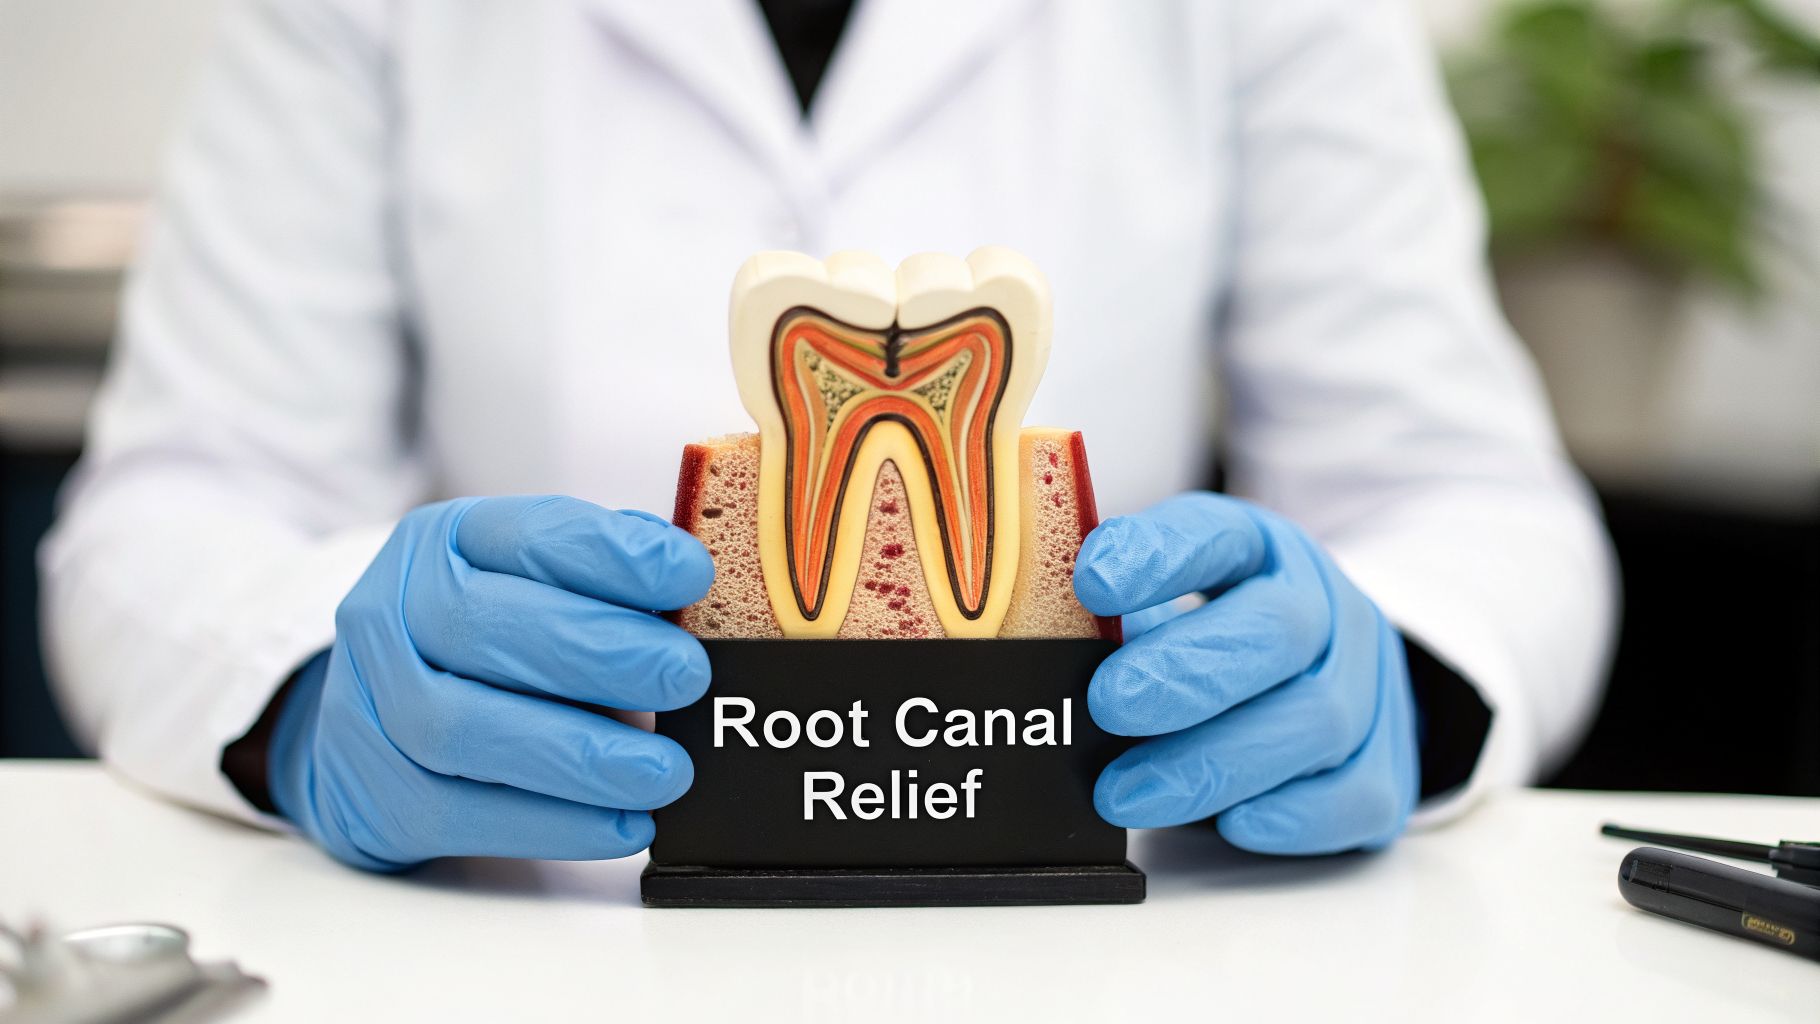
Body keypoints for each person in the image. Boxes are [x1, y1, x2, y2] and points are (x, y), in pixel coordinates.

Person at [41, 0, 1615, 871]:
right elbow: (188, 491)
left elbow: (1462, 488)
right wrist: (313, 687)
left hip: (1079, 896)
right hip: (544, 918)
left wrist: (1396, 674)